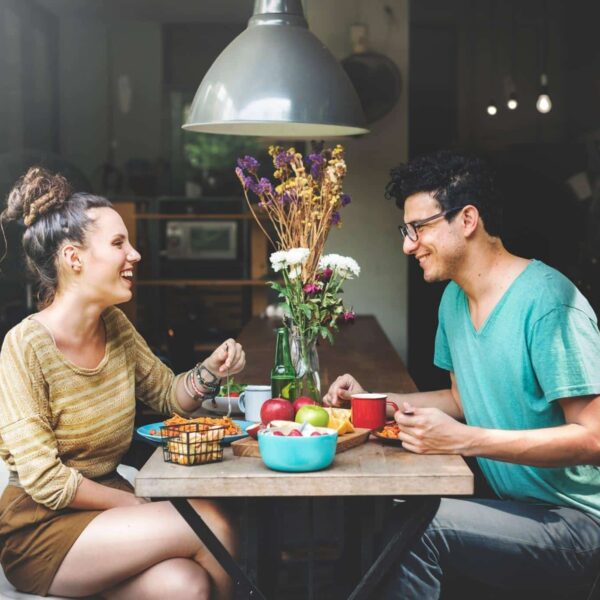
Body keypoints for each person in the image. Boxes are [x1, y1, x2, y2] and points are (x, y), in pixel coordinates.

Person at [323, 151, 600, 598]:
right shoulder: (454, 300)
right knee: (381, 511)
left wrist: (461, 439)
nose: (408, 245)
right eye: (405, 230)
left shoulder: (549, 303)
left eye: (419, 228)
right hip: (511, 507)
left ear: (467, 219)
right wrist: (373, 399)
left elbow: (595, 440)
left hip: (575, 524)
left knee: (416, 528)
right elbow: (463, 399)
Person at [0, 167, 246, 599]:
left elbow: (170, 397)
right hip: (40, 530)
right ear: (73, 258)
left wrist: (210, 371)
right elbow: (46, 482)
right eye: (118, 244)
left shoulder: (114, 326)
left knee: (187, 586)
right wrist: (135, 503)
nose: (134, 254)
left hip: (111, 518)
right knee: (211, 521)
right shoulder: (24, 347)